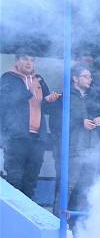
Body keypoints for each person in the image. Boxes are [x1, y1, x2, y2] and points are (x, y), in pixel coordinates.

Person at [0, 50, 60, 199]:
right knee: (15, 179)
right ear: (17, 61)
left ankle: (26, 218)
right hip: (16, 138)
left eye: (32, 60)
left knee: (31, 181)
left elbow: (46, 108)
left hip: (37, 139)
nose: (29, 63)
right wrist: (30, 89)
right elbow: (6, 101)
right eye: (25, 59)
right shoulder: (8, 78)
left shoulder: (38, 79)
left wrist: (50, 100)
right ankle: (11, 217)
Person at [49, 64, 100, 217]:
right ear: (75, 78)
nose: (90, 79)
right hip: (74, 148)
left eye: (90, 77)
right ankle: (57, 222)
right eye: (86, 76)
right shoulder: (64, 97)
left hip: (92, 148)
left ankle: (81, 225)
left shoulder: (92, 98)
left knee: (88, 187)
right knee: (68, 186)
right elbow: (57, 122)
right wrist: (81, 122)